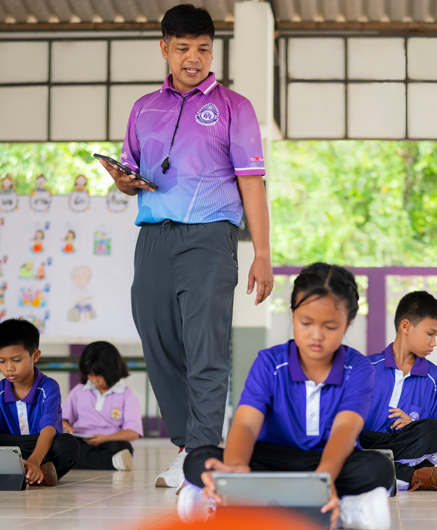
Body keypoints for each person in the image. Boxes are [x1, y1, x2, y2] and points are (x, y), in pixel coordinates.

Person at [97, 4, 273, 488]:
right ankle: (187, 444)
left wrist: (262, 253)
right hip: (153, 236)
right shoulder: (143, 109)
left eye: (202, 48)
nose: (192, 58)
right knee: (157, 341)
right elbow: (131, 174)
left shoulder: (236, 108)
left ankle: (200, 454)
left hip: (210, 237)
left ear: (212, 50)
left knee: (206, 347)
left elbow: (253, 182)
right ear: (164, 49)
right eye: (182, 48)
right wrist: (124, 182)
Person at [177, 263, 394, 530]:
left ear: (347, 324)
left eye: (330, 326)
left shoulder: (358, 367)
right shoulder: (270, 362)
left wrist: (322, 482)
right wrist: (234, 469)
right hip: (270, 460)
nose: (316, 335)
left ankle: (238, 504)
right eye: (306, 323)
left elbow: (346, 429)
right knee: (199, 460)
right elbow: (245, 424)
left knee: (379, 469)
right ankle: (336, 508)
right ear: (292, 316)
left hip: (326, 462)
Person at [360, 291, 437, 492]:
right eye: (430, 333)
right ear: (405, 326)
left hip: (406, 445)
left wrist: (413, 425)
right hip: (366, 443)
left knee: (434, 429)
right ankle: (410, 477)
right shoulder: (366, 368)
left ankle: (383, 474)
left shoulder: (435, 378)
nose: (434, 342)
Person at [0, 319, 78, 486]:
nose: (8, 368)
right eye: (1, 361)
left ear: (35, 356)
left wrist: (34, 460)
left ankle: (37, 470)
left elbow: (49, 428)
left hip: (39, 445)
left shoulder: (48, 388)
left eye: (16, 360)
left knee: (68, 444)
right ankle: (30, 475)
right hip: (9, 448)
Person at [62, 341, 143, 471]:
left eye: (98, 375)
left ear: (112, 371)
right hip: (83, 442)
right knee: (63, 444)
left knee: (122, 447)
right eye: (90, 374)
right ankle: (113, 463)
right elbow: (63, 419)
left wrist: (106, 438)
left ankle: (75, 462)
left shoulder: (126, 394)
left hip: (110, 443)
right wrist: (65, 425)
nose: (94, 380)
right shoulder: (79, 390)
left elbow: (133, 433)